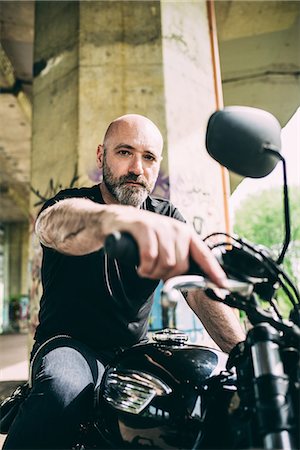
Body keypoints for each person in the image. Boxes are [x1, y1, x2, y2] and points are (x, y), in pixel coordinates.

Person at [3, 114, 245, 449]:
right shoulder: (71, 205)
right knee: (63, 390)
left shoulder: (167, 216)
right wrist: (112, 220)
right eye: (124, 152)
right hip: (68, 344)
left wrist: (245, 354)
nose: (136, 168)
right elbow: (52, 225)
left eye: (148, 157)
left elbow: (198, 289)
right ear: (101, 156)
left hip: (131, 351)